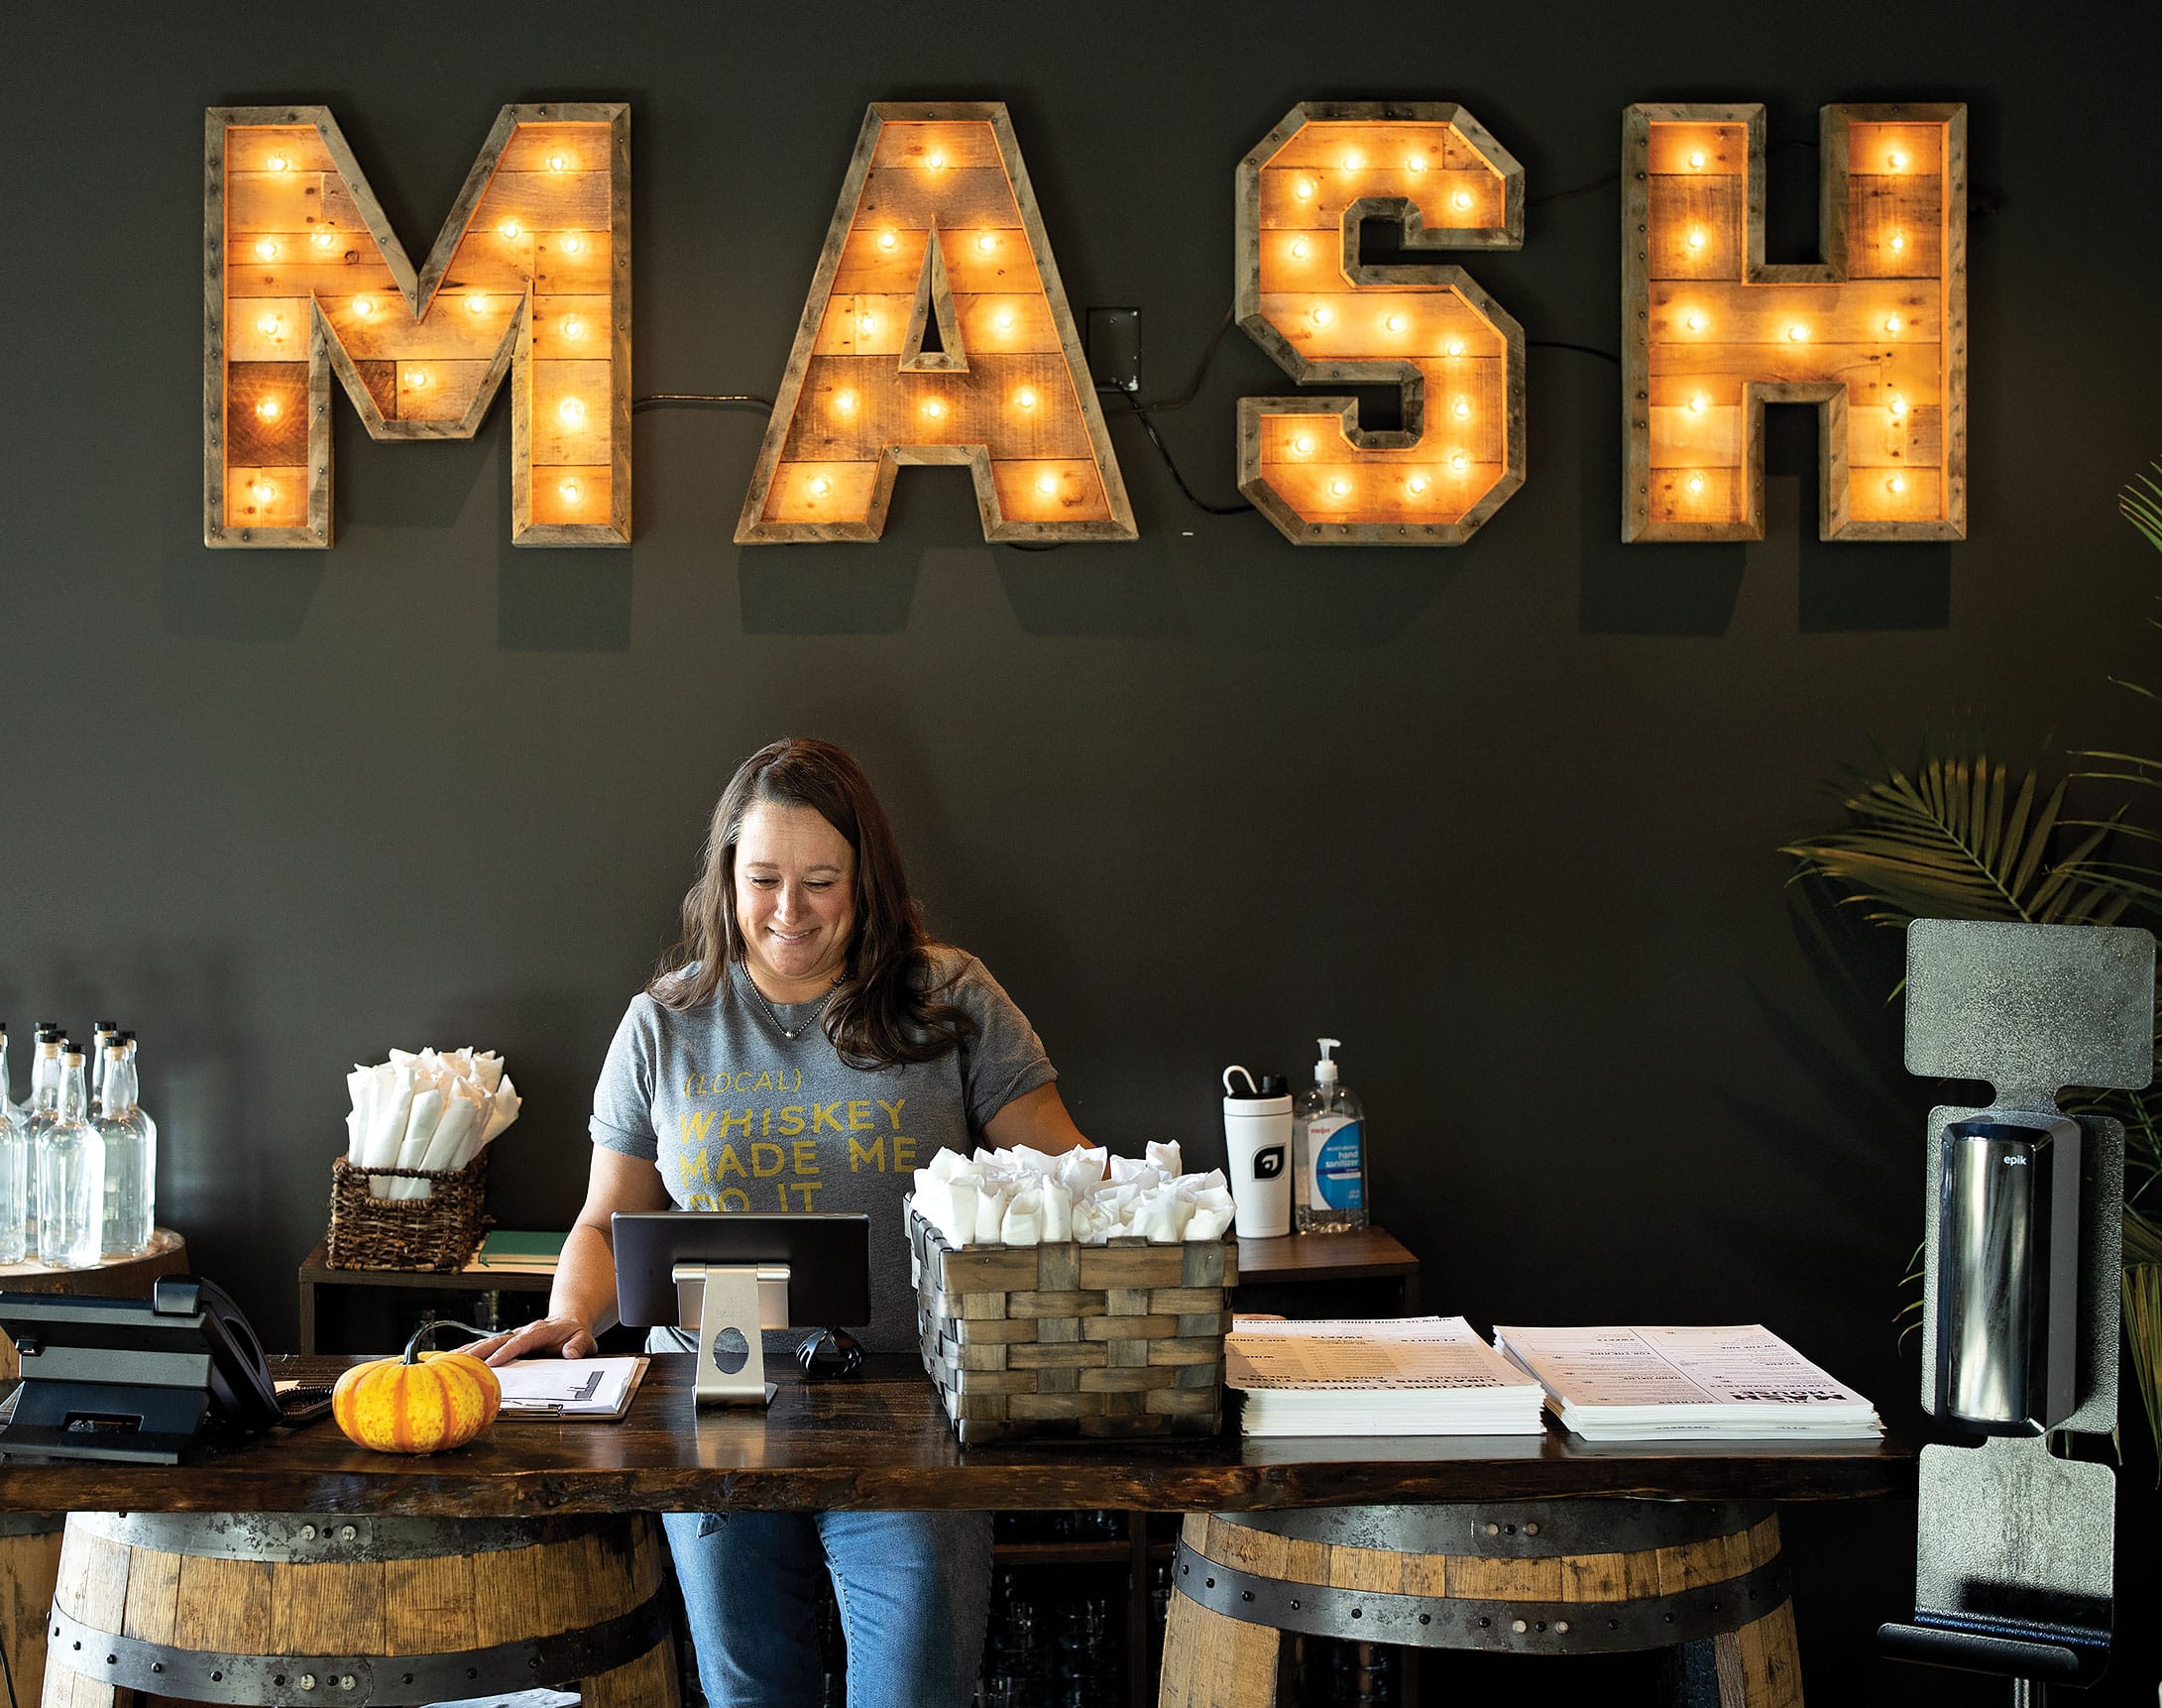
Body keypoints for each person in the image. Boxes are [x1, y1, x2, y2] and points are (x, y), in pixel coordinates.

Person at [472, 737, 1092, 1708]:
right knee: (752, 1695)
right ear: (726, 880)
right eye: (763, 879)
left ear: (867, 881)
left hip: (909, 1411)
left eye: (820, 880)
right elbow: (605, 1220)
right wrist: (570, 1313)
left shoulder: (951, 998)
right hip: (714, 1396)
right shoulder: (664, 1024)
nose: (789, 911)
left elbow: (1071, 1178)